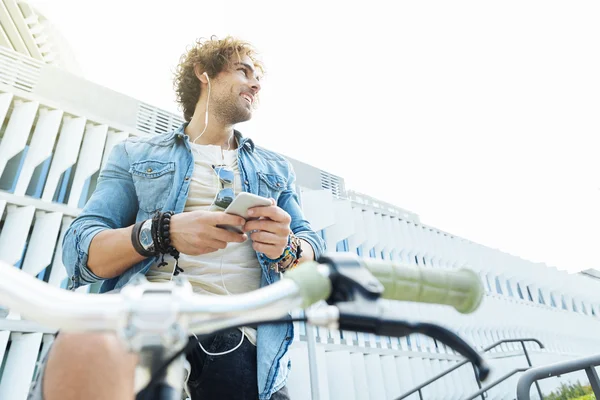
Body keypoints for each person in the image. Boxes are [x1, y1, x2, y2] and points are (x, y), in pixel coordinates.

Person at [29, 36, 325, 400]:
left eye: (258, 76)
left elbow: (315, 257)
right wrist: (163, 231)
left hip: (246, 344)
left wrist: (289, 248)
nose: (256, 83)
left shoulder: (277, 168)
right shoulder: (134, 153)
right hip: (147, 329)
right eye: (243, 71)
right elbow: (80, 252)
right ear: (204, 73)